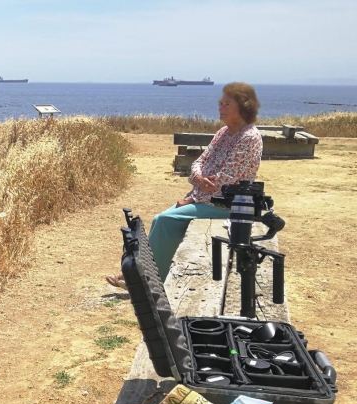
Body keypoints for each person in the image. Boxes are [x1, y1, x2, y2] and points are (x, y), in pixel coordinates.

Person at [106, 82, 263, 287]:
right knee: (161, 221)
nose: (220, 108)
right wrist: (197, 178)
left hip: (230, 205)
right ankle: (140, 275)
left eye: (226, 104)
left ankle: (146, 282)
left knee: (164, 220)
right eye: (220, 103)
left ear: (243, 106)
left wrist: (192, 197)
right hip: (205, 198)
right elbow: (199, 161)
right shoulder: (223, 133)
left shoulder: (249, 137)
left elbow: (225, 182)